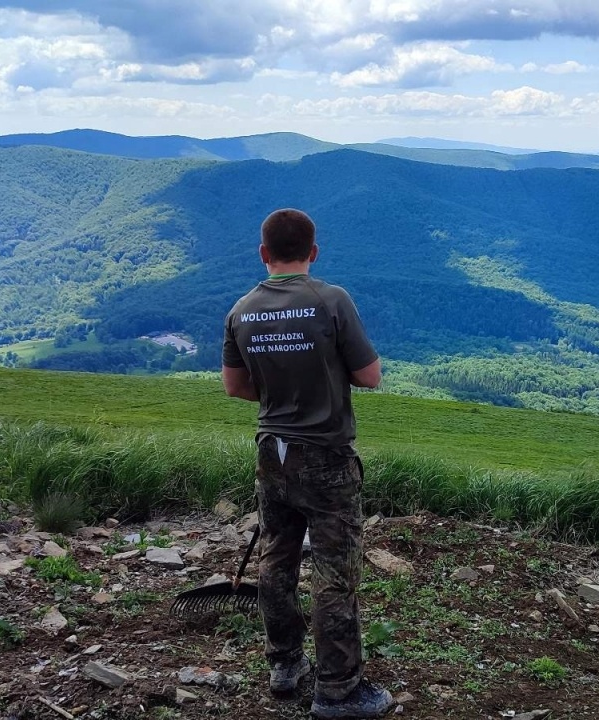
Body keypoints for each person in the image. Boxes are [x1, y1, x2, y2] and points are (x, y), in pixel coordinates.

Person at [221, 208, 393, 718]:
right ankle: (338, 690)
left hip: (271, 453)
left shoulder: (241, 310)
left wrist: (281, 391)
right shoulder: (331, 300)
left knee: (277, 559)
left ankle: (284, 664)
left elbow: (235, 388)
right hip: (326, 456)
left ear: (264, 253)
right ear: (313, 253)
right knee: (334, 571)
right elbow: (370, 375)